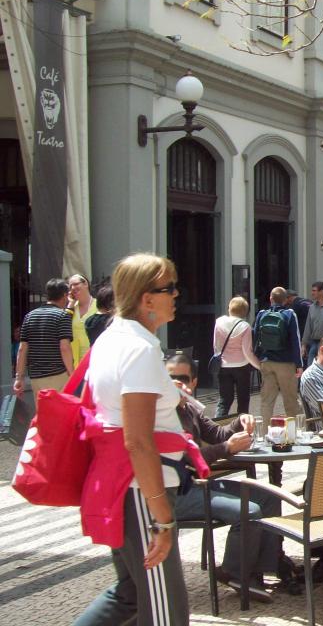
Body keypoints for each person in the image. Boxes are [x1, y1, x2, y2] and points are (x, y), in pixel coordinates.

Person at [75, 254, 195, 626]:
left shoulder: (112, 337)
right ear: (147, 299)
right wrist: (163, 519)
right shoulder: (139, 349)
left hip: (121, 484)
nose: (176, 295)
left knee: (130, 594)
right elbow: (138, 440)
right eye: (169, 288)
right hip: (140, 488)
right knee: (166, 612)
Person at [166, 355, 283, 603]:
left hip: (199, 485)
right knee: (249, 511)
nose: (176, 383)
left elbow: (217, 433)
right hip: (177, 492)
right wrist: (226, 448)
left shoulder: (189, 407)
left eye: (182, 378)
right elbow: (185, 458)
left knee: (269, 496)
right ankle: (234, 572)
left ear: (194, 382)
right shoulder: (162, 414)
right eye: (170, 378)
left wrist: (239, 421)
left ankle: (258, 570)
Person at [13, 278, 74, 401]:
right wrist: (72, 373)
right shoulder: (62, 316)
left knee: (42, 411)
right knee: (59, 411)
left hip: (36, 377)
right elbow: (64, 347)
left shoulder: (29, 316)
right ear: (64, 295)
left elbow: (22, 349)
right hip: (58, 374)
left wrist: (19, 377)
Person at [254, 287, 303, 422]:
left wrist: (258, 358)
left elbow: (255, 336)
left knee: (266, 401)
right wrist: (299, 364)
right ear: (285, 300)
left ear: (270, 298)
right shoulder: (289, 314)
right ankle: (295, 431)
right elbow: (295, 340)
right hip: (286, 363)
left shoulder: (261, 314)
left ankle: (264, 432)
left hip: (267, 362)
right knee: (291, 401)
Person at [212, 297, 262, 417]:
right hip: (241, 366)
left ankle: (217, 424)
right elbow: (247, 351)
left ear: (230, 308)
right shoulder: (245, 326)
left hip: (224, 365)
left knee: (224, 400)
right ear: (245, 311)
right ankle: (242, 425)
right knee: (243, 400)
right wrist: (259, 366)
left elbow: (216, 346)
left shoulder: (219, 322)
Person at [68, 273, 99, 367]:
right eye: (70, 286)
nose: (73, 288)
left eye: (76, 284)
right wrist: (70, 304)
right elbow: (64, 325)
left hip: (94, 356)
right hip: (75, 359)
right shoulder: (71, 308)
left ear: (85, 283)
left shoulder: (98, 305)